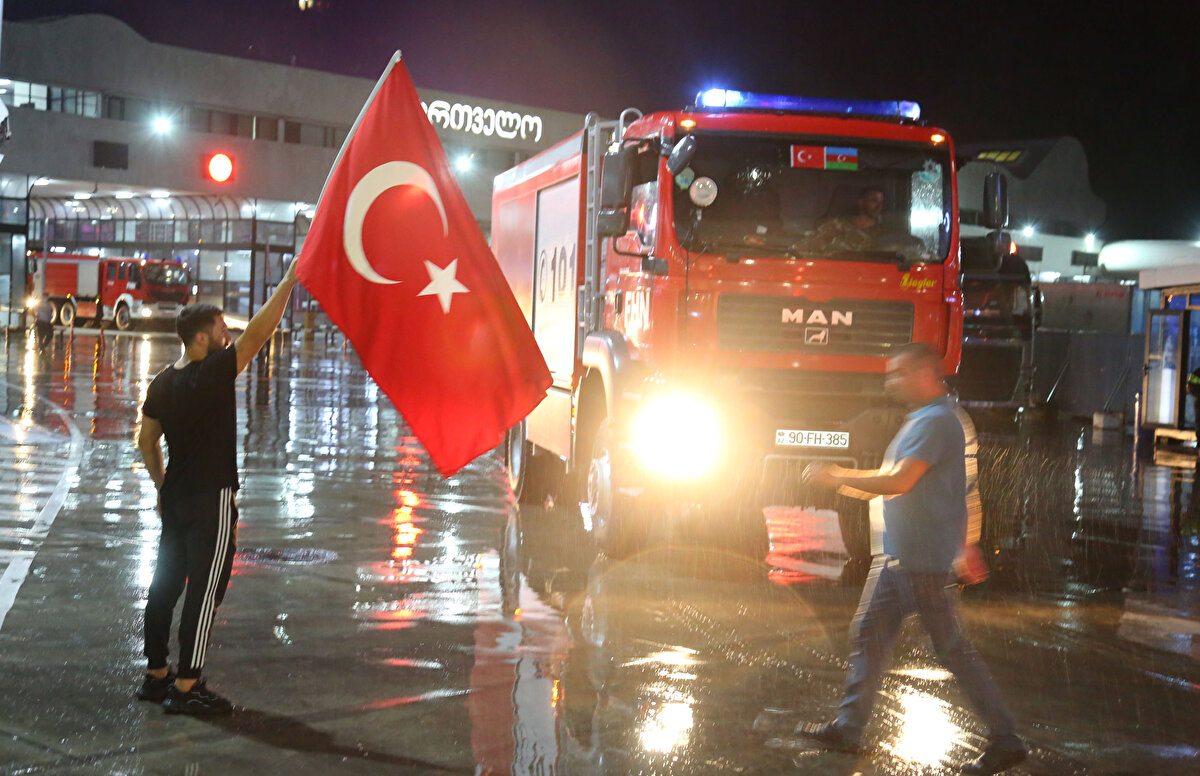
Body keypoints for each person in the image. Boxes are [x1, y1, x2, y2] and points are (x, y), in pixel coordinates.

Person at [798, 342, 1027, 775]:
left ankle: (1006, 739)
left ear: (925, 373)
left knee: (954, 651)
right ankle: (848, 728)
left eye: (899, 373)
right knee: (869, 635)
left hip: (921, 560)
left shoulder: (936, 421)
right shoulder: (931, 418)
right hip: (901, 557)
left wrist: (836, 477)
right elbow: (963, 489)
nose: (891, 382)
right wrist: (967, 544)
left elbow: (900, 481)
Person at [135, 259, 299, 714]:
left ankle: (156, 675)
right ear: (202, 337)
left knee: (164, 584)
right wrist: (287, 283)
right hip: (213, 499)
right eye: (221, 328)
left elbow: (147, 440)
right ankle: (187, 687)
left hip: (177, 497)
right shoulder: (212, 374)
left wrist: (161, 484)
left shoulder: (162, 383)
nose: (228, 334)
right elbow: (259, 335)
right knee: (205, 591)